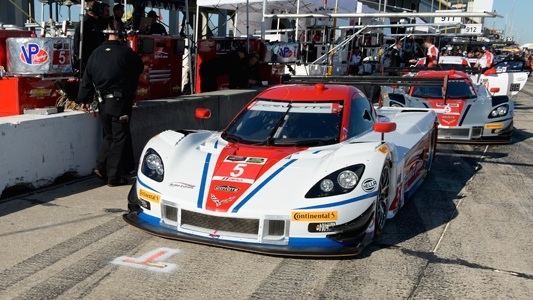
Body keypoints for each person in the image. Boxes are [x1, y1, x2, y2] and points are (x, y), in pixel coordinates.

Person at [77, 18, 144, 187]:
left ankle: (100, 167)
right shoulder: (127, 54)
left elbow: (86, 78)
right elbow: (139, 68)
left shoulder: (96, 53)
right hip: (120, 102)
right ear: (122, 34)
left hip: (102, 102)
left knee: (109, 136)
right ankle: (113, 177)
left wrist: (83, 99)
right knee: (119, 138)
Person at [73, 0, 104, 74]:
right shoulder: (85, 23)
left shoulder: (96, 22)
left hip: (96, 57)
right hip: (87, 58)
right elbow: (77, 42)